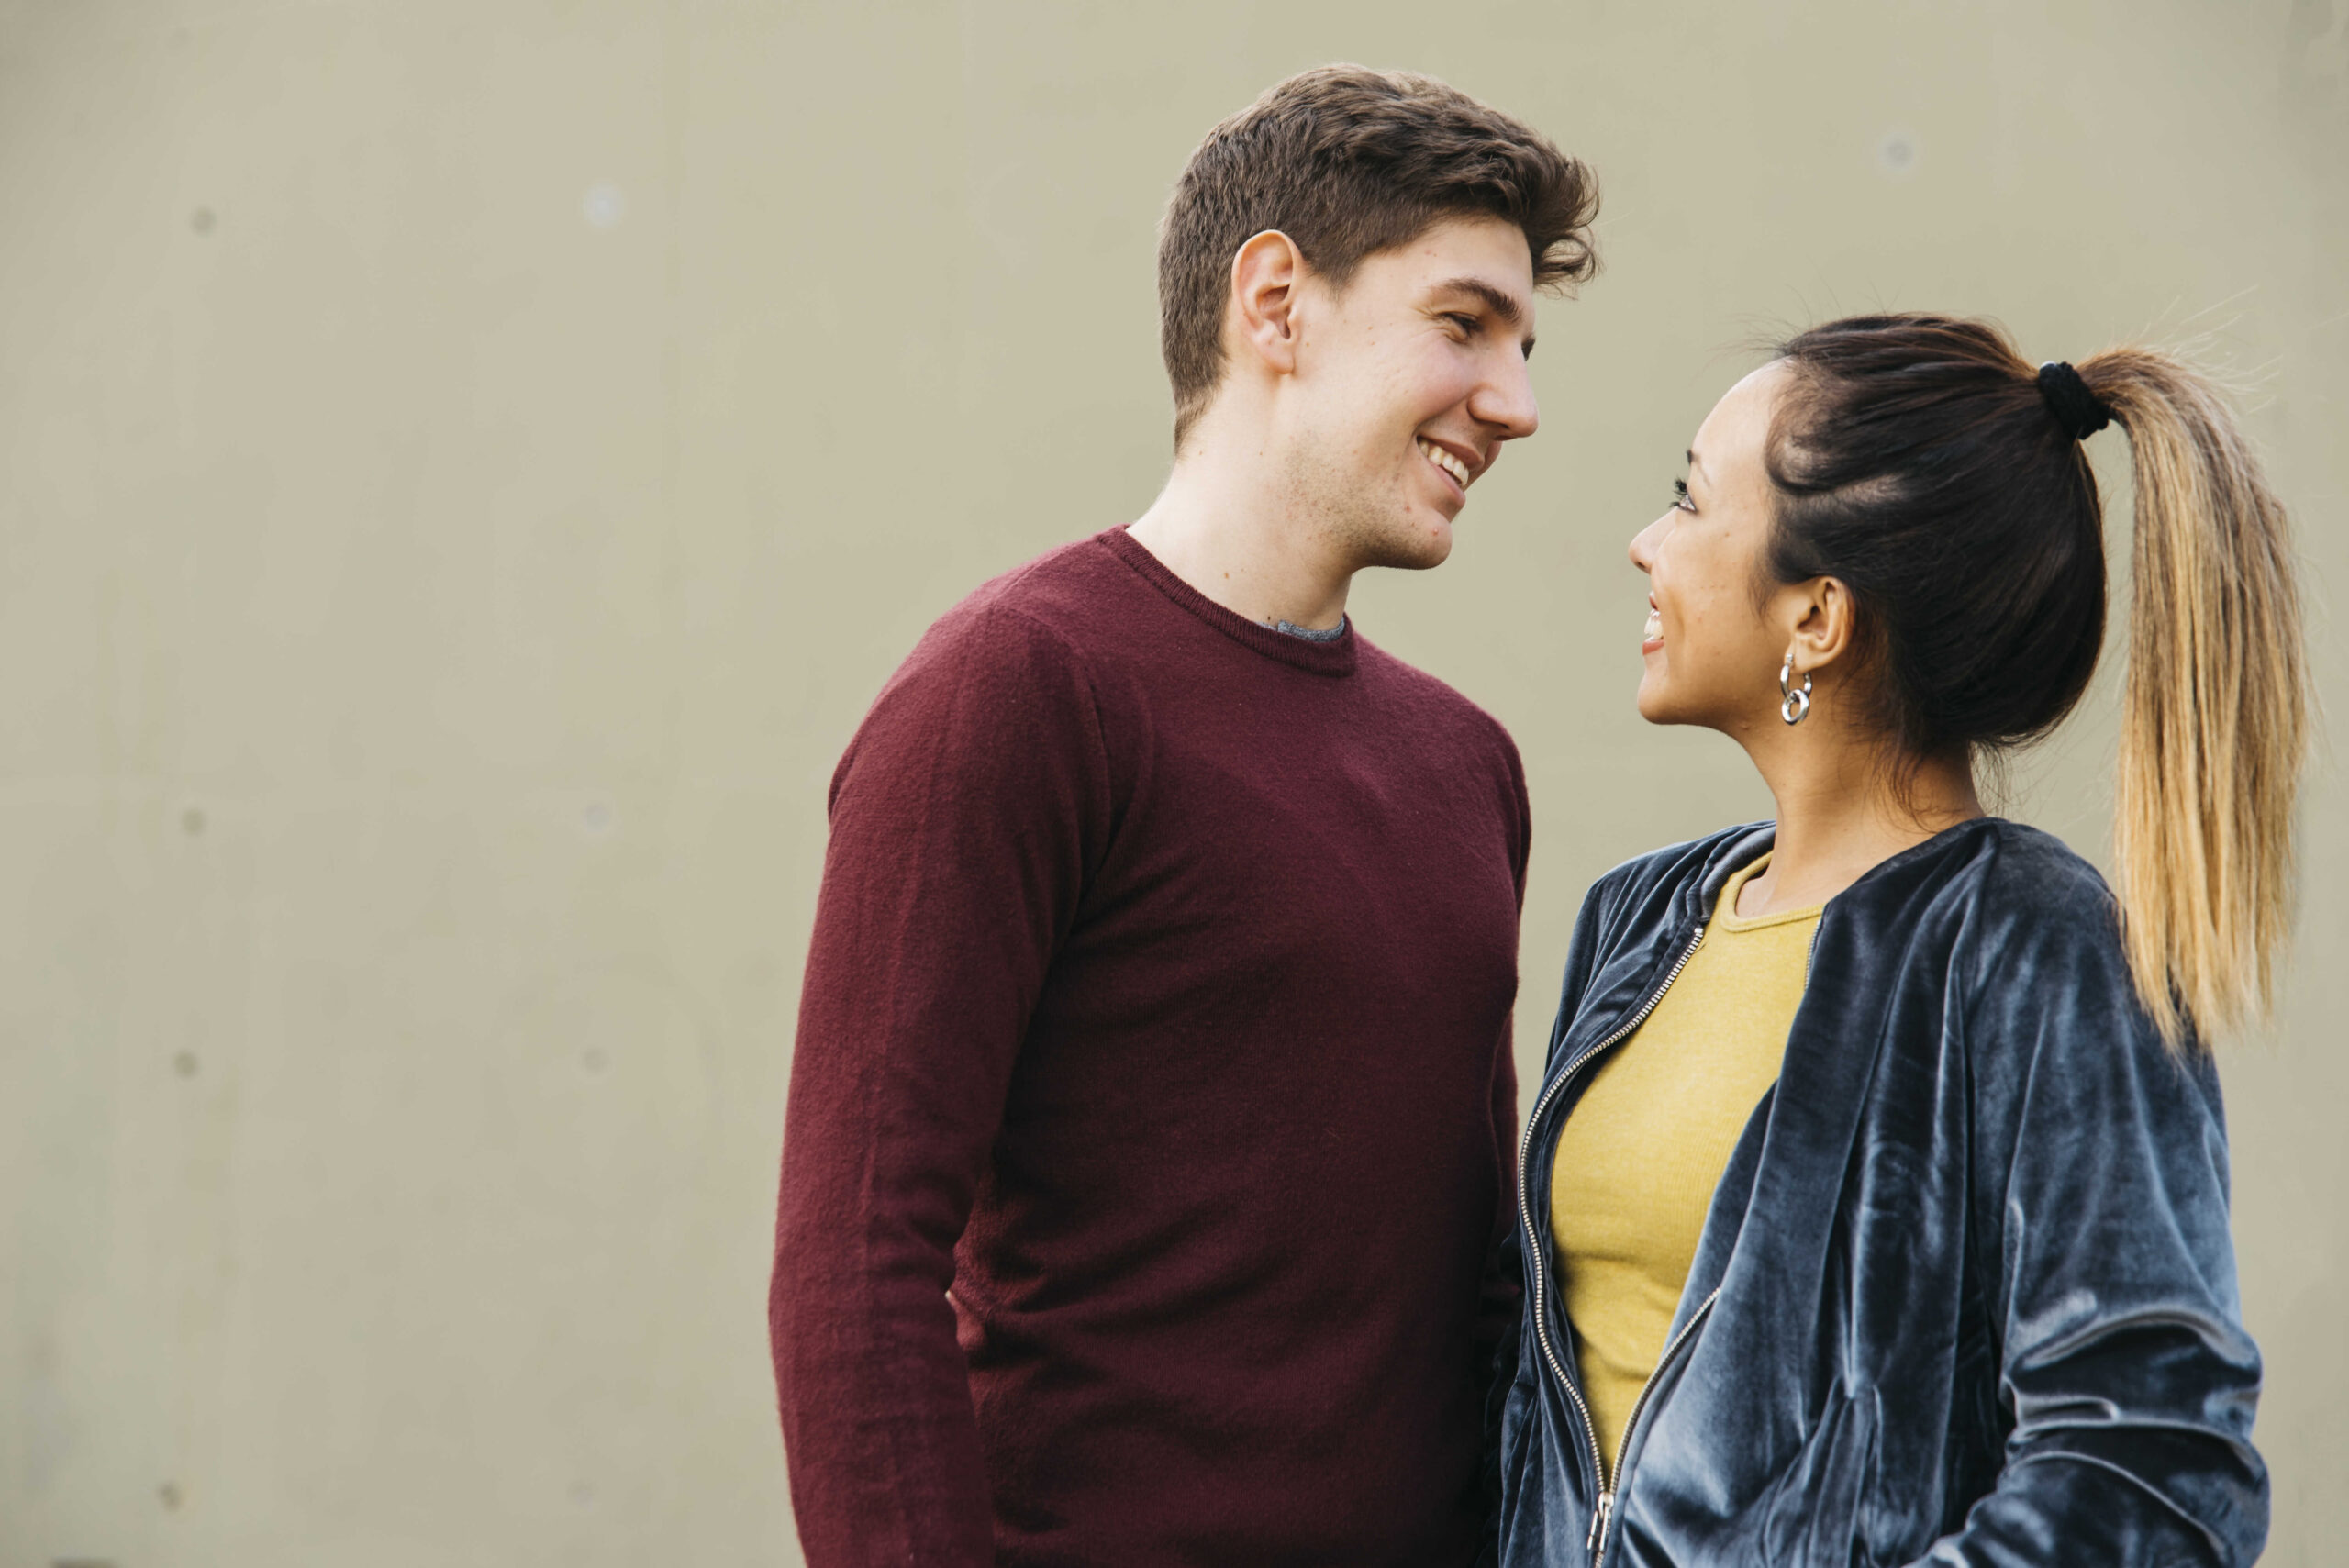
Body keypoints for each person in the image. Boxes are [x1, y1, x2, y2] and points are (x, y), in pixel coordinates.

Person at [772, 67, 1597, 1566]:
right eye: (1464, 326)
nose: (1518, 406)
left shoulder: (1468, 765)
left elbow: (1476, 1299)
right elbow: (854, 1265)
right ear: (1273, 302)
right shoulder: (1014, 693)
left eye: (1525, 347)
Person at [1497, 315, 2303, 1566]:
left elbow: (2152, 1470)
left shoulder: (2035, 947)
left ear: (1817, 617)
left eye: (1689, 502)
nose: (1644, 543)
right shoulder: (1639, 922)